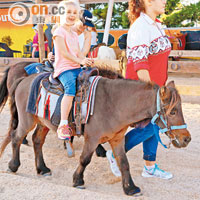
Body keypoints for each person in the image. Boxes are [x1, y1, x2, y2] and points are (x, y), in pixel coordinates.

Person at [106, 0, 173, 179]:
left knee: (154, 125)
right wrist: (154, 92)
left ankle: (150, 167)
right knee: (155, 124)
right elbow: (140, 66)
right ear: (148, 2)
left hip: (154, 87)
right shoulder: (140, 27)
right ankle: (115, 153)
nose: (165, 1)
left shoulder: (157, 25)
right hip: (141, 89)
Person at [52, 1, 93, 145]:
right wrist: (80, 61)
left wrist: (84, 60)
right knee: (70, 88)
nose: (71, 15)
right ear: (61, 13)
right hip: (64, 68)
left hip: (75, 66)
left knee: (91, 84)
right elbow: (63, 53)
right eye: (68, 12)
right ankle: (63, 123)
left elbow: (77, 53)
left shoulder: (73, 33)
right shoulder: (59, 32)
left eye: (74, 13)